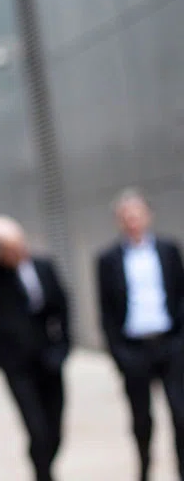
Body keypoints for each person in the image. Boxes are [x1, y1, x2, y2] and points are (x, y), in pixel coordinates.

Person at [0, 214, 70, 481]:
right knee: (37, 430)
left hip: (48, 358)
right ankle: (43, 475)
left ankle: (44, 470)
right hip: (16, 363)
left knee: (55, 431)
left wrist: (63, 348)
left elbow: (63, 307)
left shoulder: (43, 267)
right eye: (4, 249)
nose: (10, 253)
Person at [97, 189, 184, 481]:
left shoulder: (168, 250)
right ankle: (145, 470)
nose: (133, 221)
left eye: (137, 215)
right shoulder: (108, 259)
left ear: (148, 216)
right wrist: (118, 353)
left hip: (170, 343)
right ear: (119, 221)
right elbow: (106, 311)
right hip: (134, 348)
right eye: (127, 217)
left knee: (181, 414)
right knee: (141, 419)